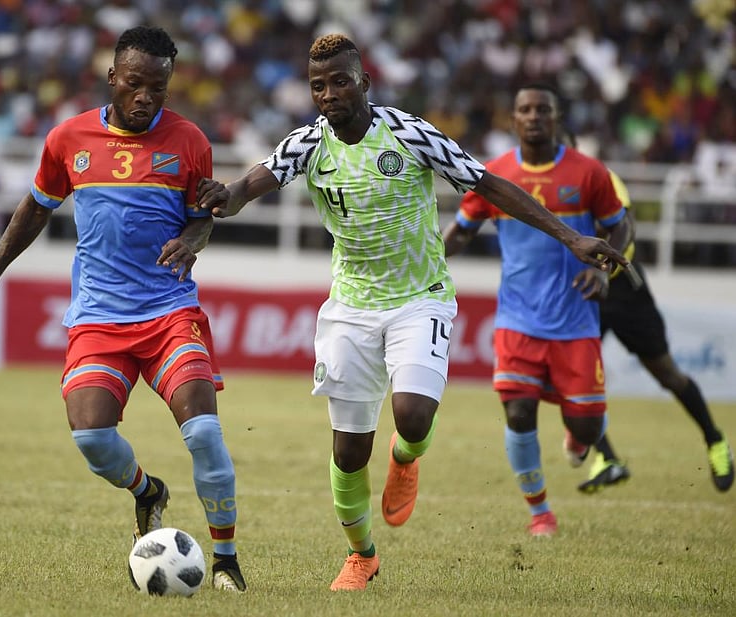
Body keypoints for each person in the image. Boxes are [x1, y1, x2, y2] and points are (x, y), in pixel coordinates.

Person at [196, 35, 627, 591]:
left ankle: (406, 458)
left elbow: (491, 185)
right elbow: (250, 185)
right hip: (350, 309)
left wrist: (571, 236)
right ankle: (362, 555)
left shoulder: (409, 134)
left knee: (414, 416)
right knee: (349, 451)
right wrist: (222, 197)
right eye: (317, 85)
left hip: (419, 297)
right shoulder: (306, 144)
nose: (328, 94)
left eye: (340, 81)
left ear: (364, 82)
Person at [0, 26, 246, 593]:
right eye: (135, 84)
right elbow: (34, 211)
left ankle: (226, 560)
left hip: (168, 311)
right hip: (98, 317)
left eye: (157, 89)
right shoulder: (69, 139)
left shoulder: (189, 141)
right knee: (91, 438)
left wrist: (195, 237)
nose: (145, 97)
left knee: (205, 432)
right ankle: (147, 492)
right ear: (113, 77)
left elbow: (204, 213)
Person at [442, 83, 632, 538]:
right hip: (517, 318)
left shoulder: (589, 173)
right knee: (519, 413)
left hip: (575, 320)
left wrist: (606, 273)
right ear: (513, 119)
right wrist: (426, 260)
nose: (533, 116)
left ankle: (578, 435)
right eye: (524, 109)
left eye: (542, 109)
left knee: (586, 427)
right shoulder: (494, 175)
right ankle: (540, 513)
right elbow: (463, 230)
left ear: (556, 117)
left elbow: (620, 225)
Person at [567, 147, 734, 494]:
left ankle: (715, 440)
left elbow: (623, 228)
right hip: (579, 291)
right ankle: (608, 459)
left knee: (666, 372)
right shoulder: (545, 181)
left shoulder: (603, 177)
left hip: (623, 289)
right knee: (570, 376)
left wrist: (603, 267)